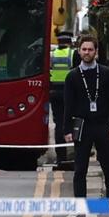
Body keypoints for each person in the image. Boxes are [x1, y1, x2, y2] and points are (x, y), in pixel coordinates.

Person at [64, 34, 109, 217]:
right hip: (82, 125)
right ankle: (81, 209)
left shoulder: (106, 74)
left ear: (96, 52)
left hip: (102, 125)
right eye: (84, 49)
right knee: (80, 170)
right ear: (79, 51)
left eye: (90, 49)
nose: (87, 52)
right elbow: (68, 105)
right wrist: (67, 130)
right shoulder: (72, 76)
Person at [49, 32, 74, 164]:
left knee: (59, 124)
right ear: (69, 42)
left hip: (54, 93)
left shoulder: (52, 55)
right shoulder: (73, 54)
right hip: (69, 93)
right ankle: (72, 153)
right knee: (71, 121)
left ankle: (61, 156)